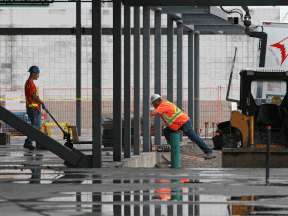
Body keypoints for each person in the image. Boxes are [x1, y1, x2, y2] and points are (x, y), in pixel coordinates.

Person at [149, 94, 216, 159]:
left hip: (183, 122)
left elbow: (154, 113)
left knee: (194, 137)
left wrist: (144, 115)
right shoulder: (164, 103)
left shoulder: (163, 105)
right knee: (166, 131)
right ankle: (174, 149)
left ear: (156, 101)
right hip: (177, 124)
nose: (153, 105)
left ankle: (209, 152)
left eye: (153, 103)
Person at [23, 66, 47, 150]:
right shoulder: (30, 83)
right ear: (34, 73)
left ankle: (35, 144)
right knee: (36, 127)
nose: (38, 76)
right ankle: (30, 143)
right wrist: (42, 102)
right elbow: (34, 96)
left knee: (36, 127)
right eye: (37, 74)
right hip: (32, 108)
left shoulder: (30, 82)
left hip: (34, 108)